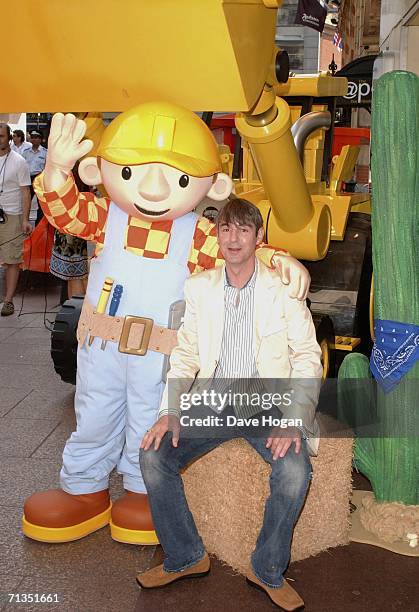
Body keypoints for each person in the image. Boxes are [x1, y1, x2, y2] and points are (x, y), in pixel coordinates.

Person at [23, 104, 311, 547]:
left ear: (212, 185)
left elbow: (239, 251)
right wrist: (57, 171)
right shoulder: (105, 217)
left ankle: (143, 493)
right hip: (100, 346)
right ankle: (82, 489)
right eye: (134, 172)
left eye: (178, 179)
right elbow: (66, 213)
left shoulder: (197, 233)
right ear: (101, 171)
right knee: (94, 414)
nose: (154, 189)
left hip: (161, 353)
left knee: (148, 418)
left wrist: (279, 259)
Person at [138, 198, 322, 611]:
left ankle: (267, 569)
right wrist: (170, 410)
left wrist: (293, 420)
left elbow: (308, 356)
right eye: (225, 229)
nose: (233, 238)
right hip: (213, 399)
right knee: (152, 454)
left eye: (243, 230)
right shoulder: (200, 287)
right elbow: (185, 356)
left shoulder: (284, 290)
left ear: (259, 238)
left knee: (294, 471)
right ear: (217, 237)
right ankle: (186, 556)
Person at [0, 124, 32, 316]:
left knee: (12, 260)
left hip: (11, 215)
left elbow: (25, 192)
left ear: (10, 138)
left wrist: (25, 220)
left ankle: (8, 300)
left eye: (1, 136)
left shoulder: (19, 162)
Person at [22, 130, 47, 224]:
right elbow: (21, 166)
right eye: (32, 137)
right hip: (27, 179)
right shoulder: (25, 152)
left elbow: (47, 168)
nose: (34, 139)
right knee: (25, 202)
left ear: (41, 139)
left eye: (36, 137)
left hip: (39, 179)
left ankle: (39, 225)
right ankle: (24, 221)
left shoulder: (45, 153)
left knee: (41, 203)